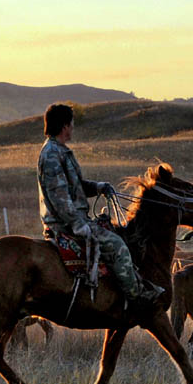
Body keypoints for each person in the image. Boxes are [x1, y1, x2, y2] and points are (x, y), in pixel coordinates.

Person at [37, 103, 162, 306]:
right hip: (65, 223)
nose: (73, 128)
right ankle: (136, 296)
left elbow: (74, 187)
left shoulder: (59, 151)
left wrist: (98, 187)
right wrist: (78, 223)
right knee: (118, 246)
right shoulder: (51, 154)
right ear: (64, 126)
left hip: (73, 219)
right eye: (71, 123)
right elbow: (59, 196)